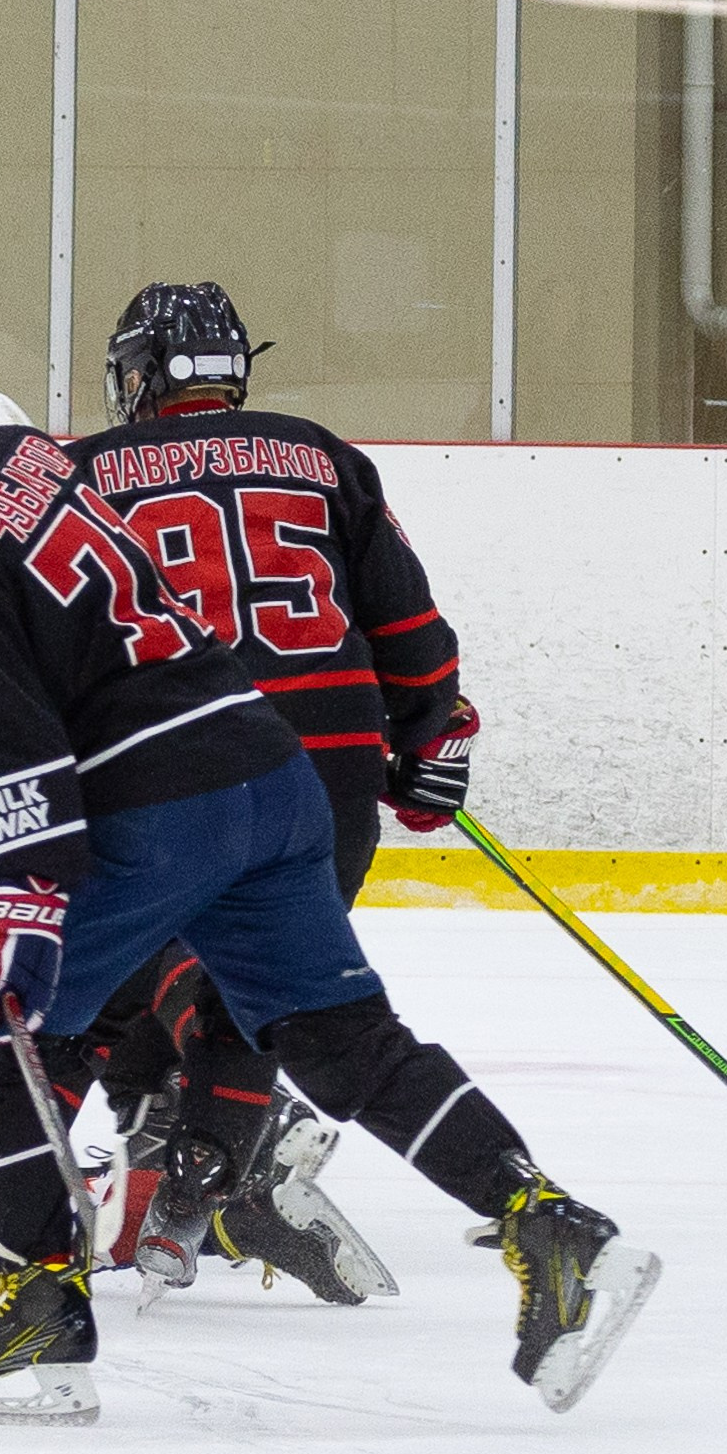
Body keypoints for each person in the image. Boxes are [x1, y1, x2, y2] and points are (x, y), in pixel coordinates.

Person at [0, 320, 657, 1425]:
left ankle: (33, 1302)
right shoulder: (19, 460)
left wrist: (19, 904)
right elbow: (57, 640)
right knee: (339, 1036)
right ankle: (553, 1228)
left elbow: (12, 741)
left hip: (160, 809)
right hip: (267, 775)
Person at [66, 280, 476, 1301]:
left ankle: (184, 1156)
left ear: (141, 372)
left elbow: (48, 635)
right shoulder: (323, 455)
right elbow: (409, 629)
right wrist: (432, 740)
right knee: (267, 976)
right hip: (328, 779)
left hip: (171, 767)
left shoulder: (81, 475)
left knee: (110, 966)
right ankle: (203, 1161)